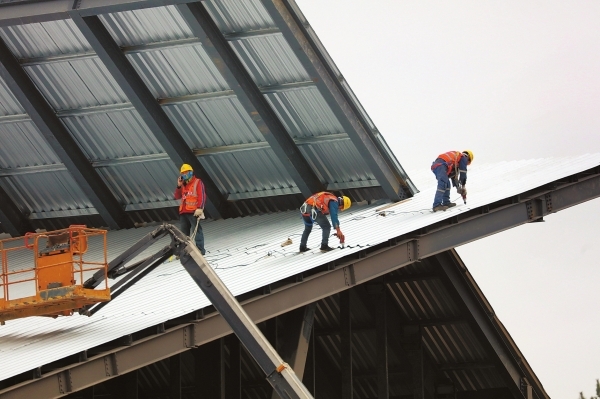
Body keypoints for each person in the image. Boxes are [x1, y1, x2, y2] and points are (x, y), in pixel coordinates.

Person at [174, 164, 207, 254]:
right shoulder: (183, 184)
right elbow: (177, 196)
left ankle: (200, 250)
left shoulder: (197, 182)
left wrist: (200, 208)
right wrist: (179, 186)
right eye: (183, 173)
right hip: (183, 212)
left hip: (193, 211)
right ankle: (184, 250)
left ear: (191, 172)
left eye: (186, 172)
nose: (184, 174)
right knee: (184, 233)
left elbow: (202, 196)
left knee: (196, 231)